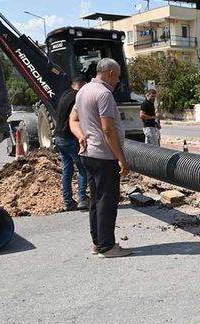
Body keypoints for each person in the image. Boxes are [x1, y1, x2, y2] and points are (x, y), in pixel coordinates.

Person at [69, 58, 131, 258]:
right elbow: (107, 129)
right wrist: (120, 158)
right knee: (107, 201)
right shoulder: (104, 94)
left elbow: (73, 119)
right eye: (118, 76)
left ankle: (97, 243)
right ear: (111, 73)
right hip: (104, 156)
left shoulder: (83, 91)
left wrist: (81, 136)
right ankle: (107, 247)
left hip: (89, 155)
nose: (117, 81)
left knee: (95, 200)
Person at [53, 75, 88, 211]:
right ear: (82, 84)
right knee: (83, 167)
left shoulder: (65, 94)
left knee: (67, 169)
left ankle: (68, 201)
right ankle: (82, 199)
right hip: (70, 137)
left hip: (59, 136)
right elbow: (78, 117)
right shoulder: (78, 97)